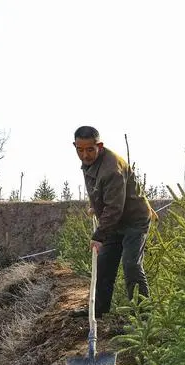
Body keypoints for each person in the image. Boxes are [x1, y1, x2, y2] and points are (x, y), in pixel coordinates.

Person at [71, 125, 153, 318]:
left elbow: (115, 207)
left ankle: (143, 318)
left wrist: (98, 236)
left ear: (99, 145)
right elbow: (95, 188)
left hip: (134, 220)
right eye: (80, 150)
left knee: (131, 265)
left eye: (90, 149)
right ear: (75, 146)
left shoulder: (111, 168)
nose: (85, 154)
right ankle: (98, 309)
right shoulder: (89, 162)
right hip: (114, 222)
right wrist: (95, 206)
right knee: (104, 264)